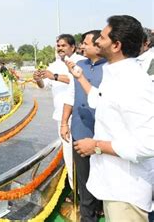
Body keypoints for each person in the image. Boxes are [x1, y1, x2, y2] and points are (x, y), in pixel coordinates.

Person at [68, 15, 153, 221]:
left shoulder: (134, 82)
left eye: (103, 37)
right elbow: (100, 100)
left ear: (116, 45)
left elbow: (149, 144)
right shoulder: (116, 74)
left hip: (126, 190)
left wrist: (96, 146)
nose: (97, 40)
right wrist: (80, 77)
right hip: (113, 184)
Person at [61, 30, 105, 221]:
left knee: (105, 179)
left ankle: (101, 208)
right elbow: (70, 95)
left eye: (85, 43)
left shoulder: (112, 68)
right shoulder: (78, 65)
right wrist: (64, 123)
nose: (82, 46)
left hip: (104, 136)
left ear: (98, 46)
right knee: (84, 181)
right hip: (80, 131)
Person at [33, 34, 85, 188]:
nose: (60, 48)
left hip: (79, 116)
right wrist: (38, 79)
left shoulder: (80, 62)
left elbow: (77, 81)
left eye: (63, 45)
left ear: (72, 47)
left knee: (83, 156)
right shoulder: (53, 65)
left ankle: (88, 196)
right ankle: (76, 192)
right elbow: (44, 86)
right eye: (58, 46)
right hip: (61, 117)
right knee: (69, 156)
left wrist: (54, 76)